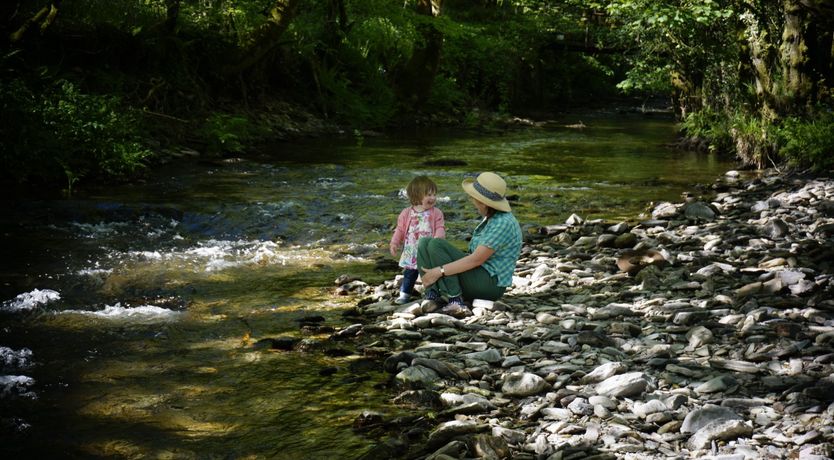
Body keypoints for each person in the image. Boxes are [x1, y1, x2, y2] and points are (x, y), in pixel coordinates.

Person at [418, 171, 522, 317]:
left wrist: (439, 271)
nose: (471, 200)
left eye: (474, 197)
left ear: (483, 202)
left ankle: (455, 300)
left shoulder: (502, 223)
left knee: (436, 245)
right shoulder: (492, 217)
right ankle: (432, 294)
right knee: (424, 242)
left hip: (490, 284)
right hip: (479, 275)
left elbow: (476, 259)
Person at [389, 175, 446, 304]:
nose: (433, 198)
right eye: (429, 195)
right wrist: (394, 243)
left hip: (428, 249)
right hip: (411, 250)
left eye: (434, 194)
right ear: (416, 195)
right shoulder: (406, 213)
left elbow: (440, 227)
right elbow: (400, 229)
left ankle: (432, 293)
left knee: (429, 272)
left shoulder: (436, 212)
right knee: (410, 273)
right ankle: (404, 294)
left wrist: (437, 239)